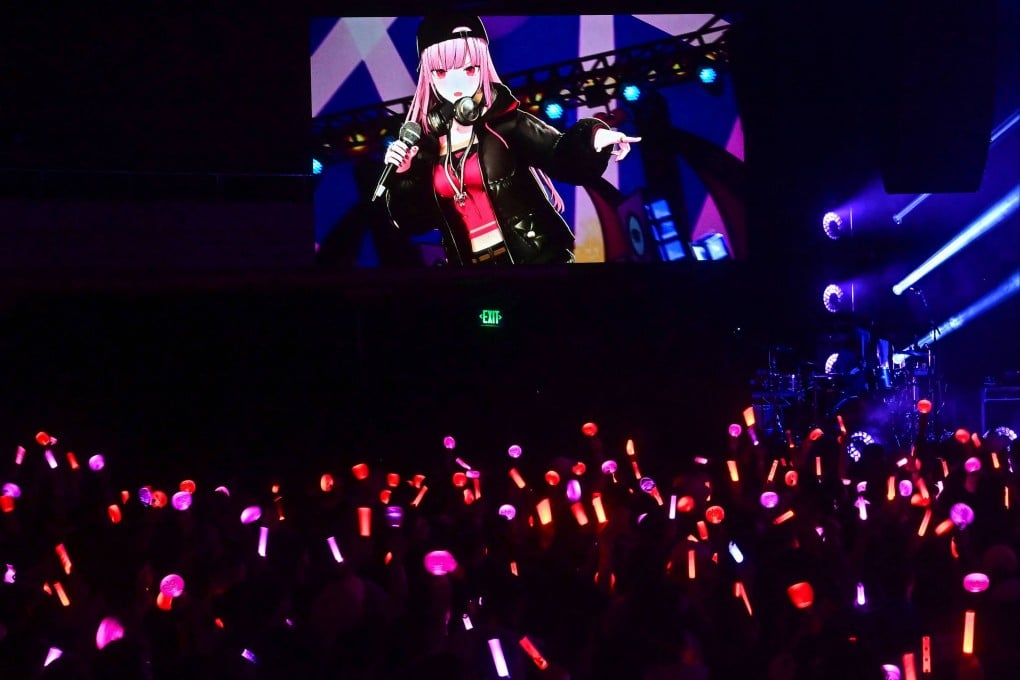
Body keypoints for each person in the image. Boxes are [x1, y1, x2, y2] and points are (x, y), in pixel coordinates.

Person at [382, 14, 640, 265]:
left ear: (483, 66)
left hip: (535, 258)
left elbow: (560, 154)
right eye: (441, 71)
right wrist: (404, 176)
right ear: (428, 74)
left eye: (469, 69)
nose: (457, 83)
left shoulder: (506, 123)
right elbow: (414, 222)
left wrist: (594, 135)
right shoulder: (426, 147)